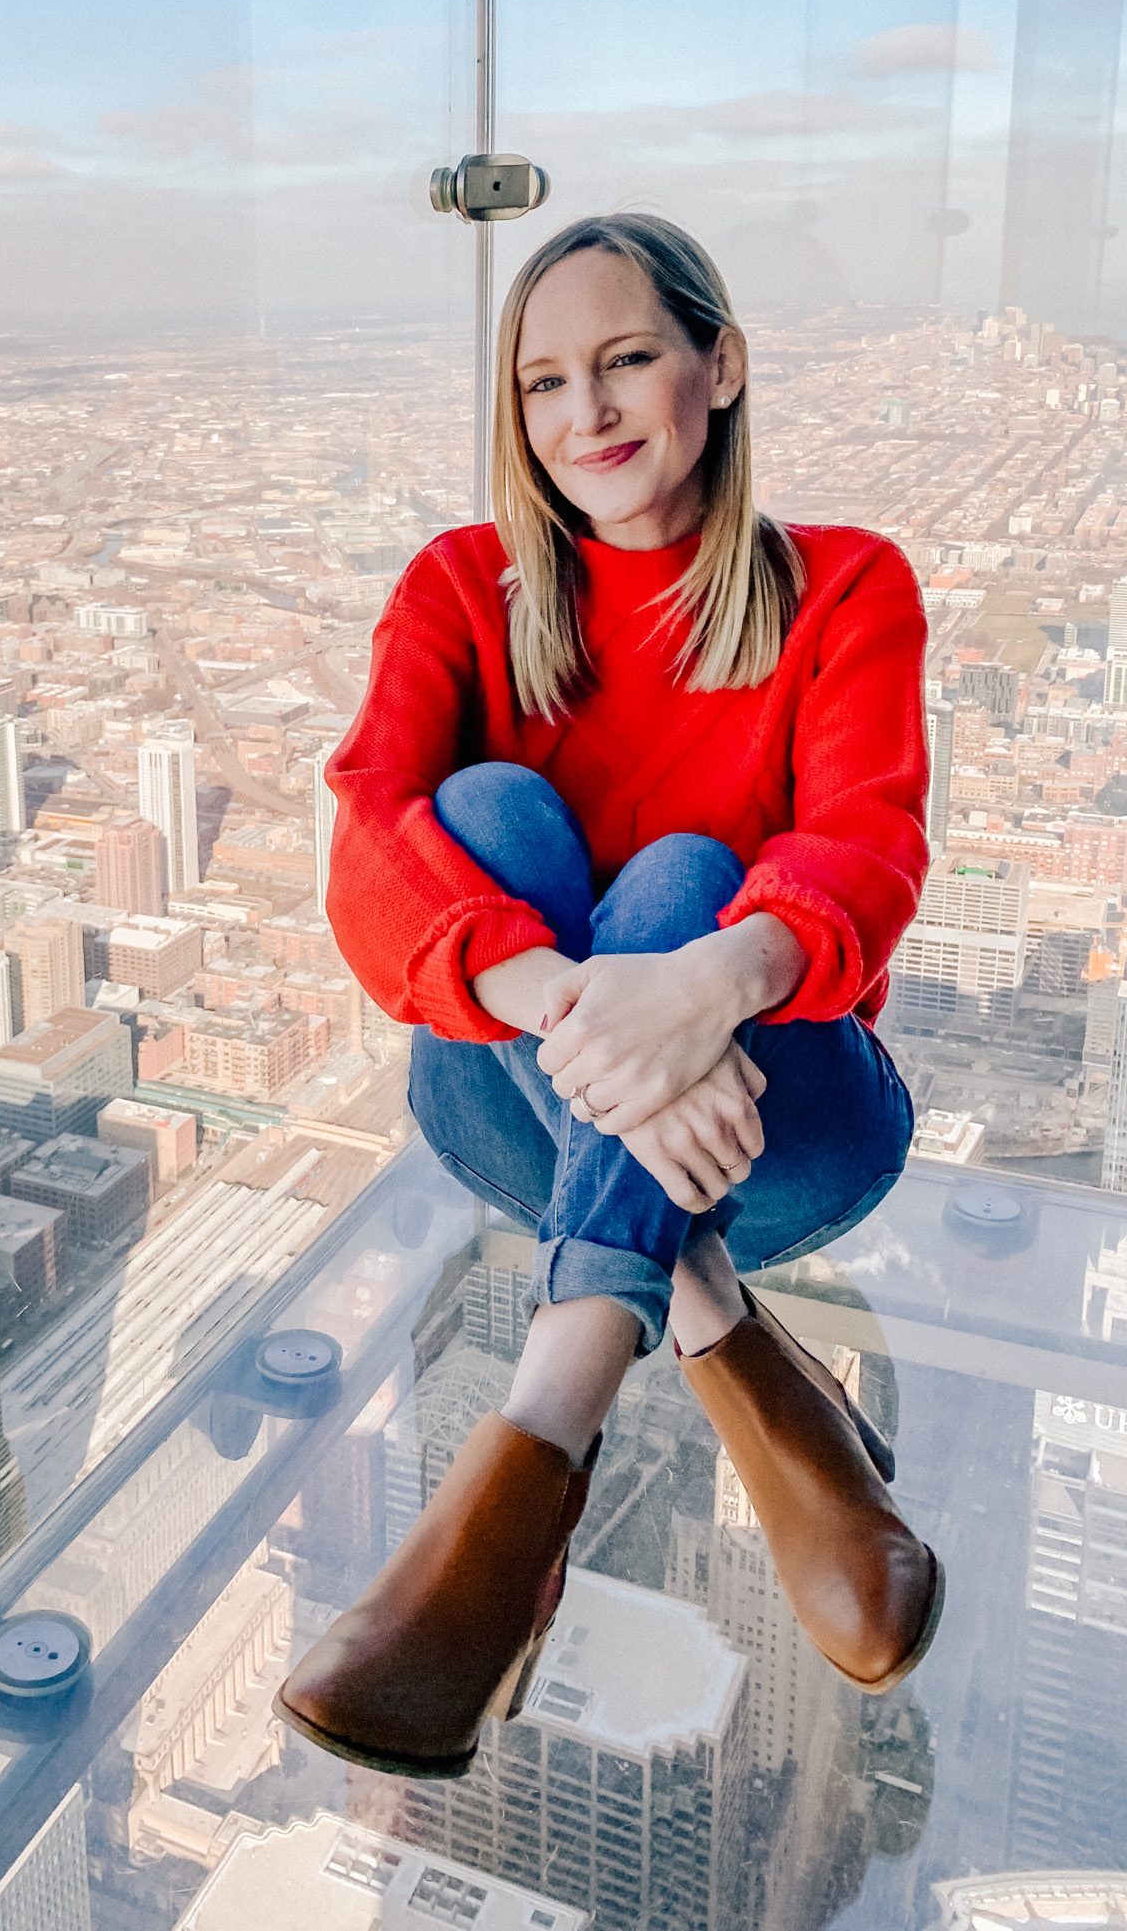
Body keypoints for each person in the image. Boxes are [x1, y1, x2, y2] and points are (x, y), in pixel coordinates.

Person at [275, 212, 943, 1780]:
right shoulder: (464, 585)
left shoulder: (843, 588)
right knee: (483, 808)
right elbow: (371, 832)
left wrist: (707, 976)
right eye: (543, 381)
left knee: (685, 875)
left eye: (628, 356)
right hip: (520, 1106)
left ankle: (541, 1442)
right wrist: (602, 1015)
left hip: (791, 1123)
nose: (587, 410)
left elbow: (866, 842)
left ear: (719, 363)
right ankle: (731, 1351)